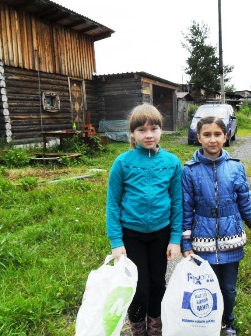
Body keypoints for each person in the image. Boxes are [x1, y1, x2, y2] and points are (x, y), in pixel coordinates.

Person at [181, 116, 251, 336]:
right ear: (198, 137)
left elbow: (246, 202)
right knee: (204, 287)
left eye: (217, 134)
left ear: (226, 136)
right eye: (207, 135)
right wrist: (185, 240)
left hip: (231, 240)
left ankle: (228, 322)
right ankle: (206, 323)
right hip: (202, 241)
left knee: (228, 288)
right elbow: (186, 207)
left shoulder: (236, 168)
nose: (212, 140)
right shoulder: (189, 171)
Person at [106, 103, 183, 336]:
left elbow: (177, 202)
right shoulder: (122, 162)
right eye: (141, 130)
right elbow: (113, 204)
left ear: (161, 130)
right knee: (138, 288)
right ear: (132, 133)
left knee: (158, 284)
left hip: (161, 233)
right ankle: (138, 328)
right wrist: (116, 242)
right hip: (132, 236)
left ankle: (155, 327)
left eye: (154, 128)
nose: (148, 135)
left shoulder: (172, 163)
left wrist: (175, 238)